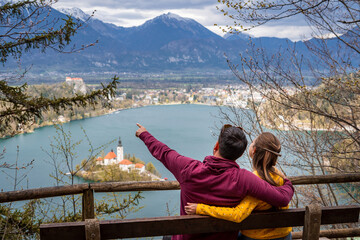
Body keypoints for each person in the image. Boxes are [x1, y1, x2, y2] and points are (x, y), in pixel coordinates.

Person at [135, 123, 294, 240]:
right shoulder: (245, 179)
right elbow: (282, 198)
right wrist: (287, 183)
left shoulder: (188, 169)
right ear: (239, 154)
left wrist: (144, 134)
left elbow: (163, 152)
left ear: (216, 145)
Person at [185, 132, 292, 240]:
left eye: (252, 143)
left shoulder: (255, 181)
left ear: (253, 150)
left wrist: (200, 208)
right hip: (285, 235)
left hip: (258, 237)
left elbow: (237, 214)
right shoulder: (279, 175)